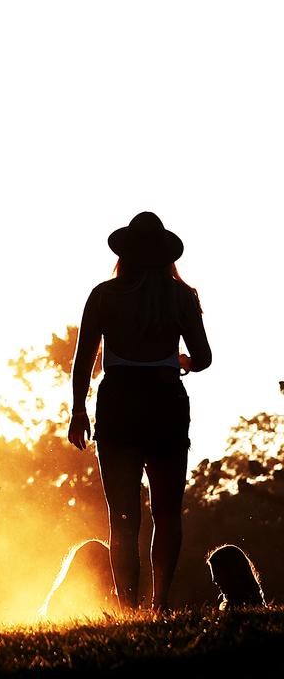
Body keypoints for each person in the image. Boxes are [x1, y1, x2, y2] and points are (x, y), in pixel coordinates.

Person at [68, 211, 211, 612]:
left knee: (123, 515)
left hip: (118, 404)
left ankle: (127, 606)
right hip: (165, 402)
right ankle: (160, 601)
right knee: (167, 511)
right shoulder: (182, 297)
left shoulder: (104, 295)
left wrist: (78, 410)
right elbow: (203, 357)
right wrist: (179, 362)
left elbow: (83, 360)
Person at [206, 544, 266, 610]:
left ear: (232, 572)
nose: (214, 580)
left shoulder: (247, 611)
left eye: (217, 573)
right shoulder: (253, 607)